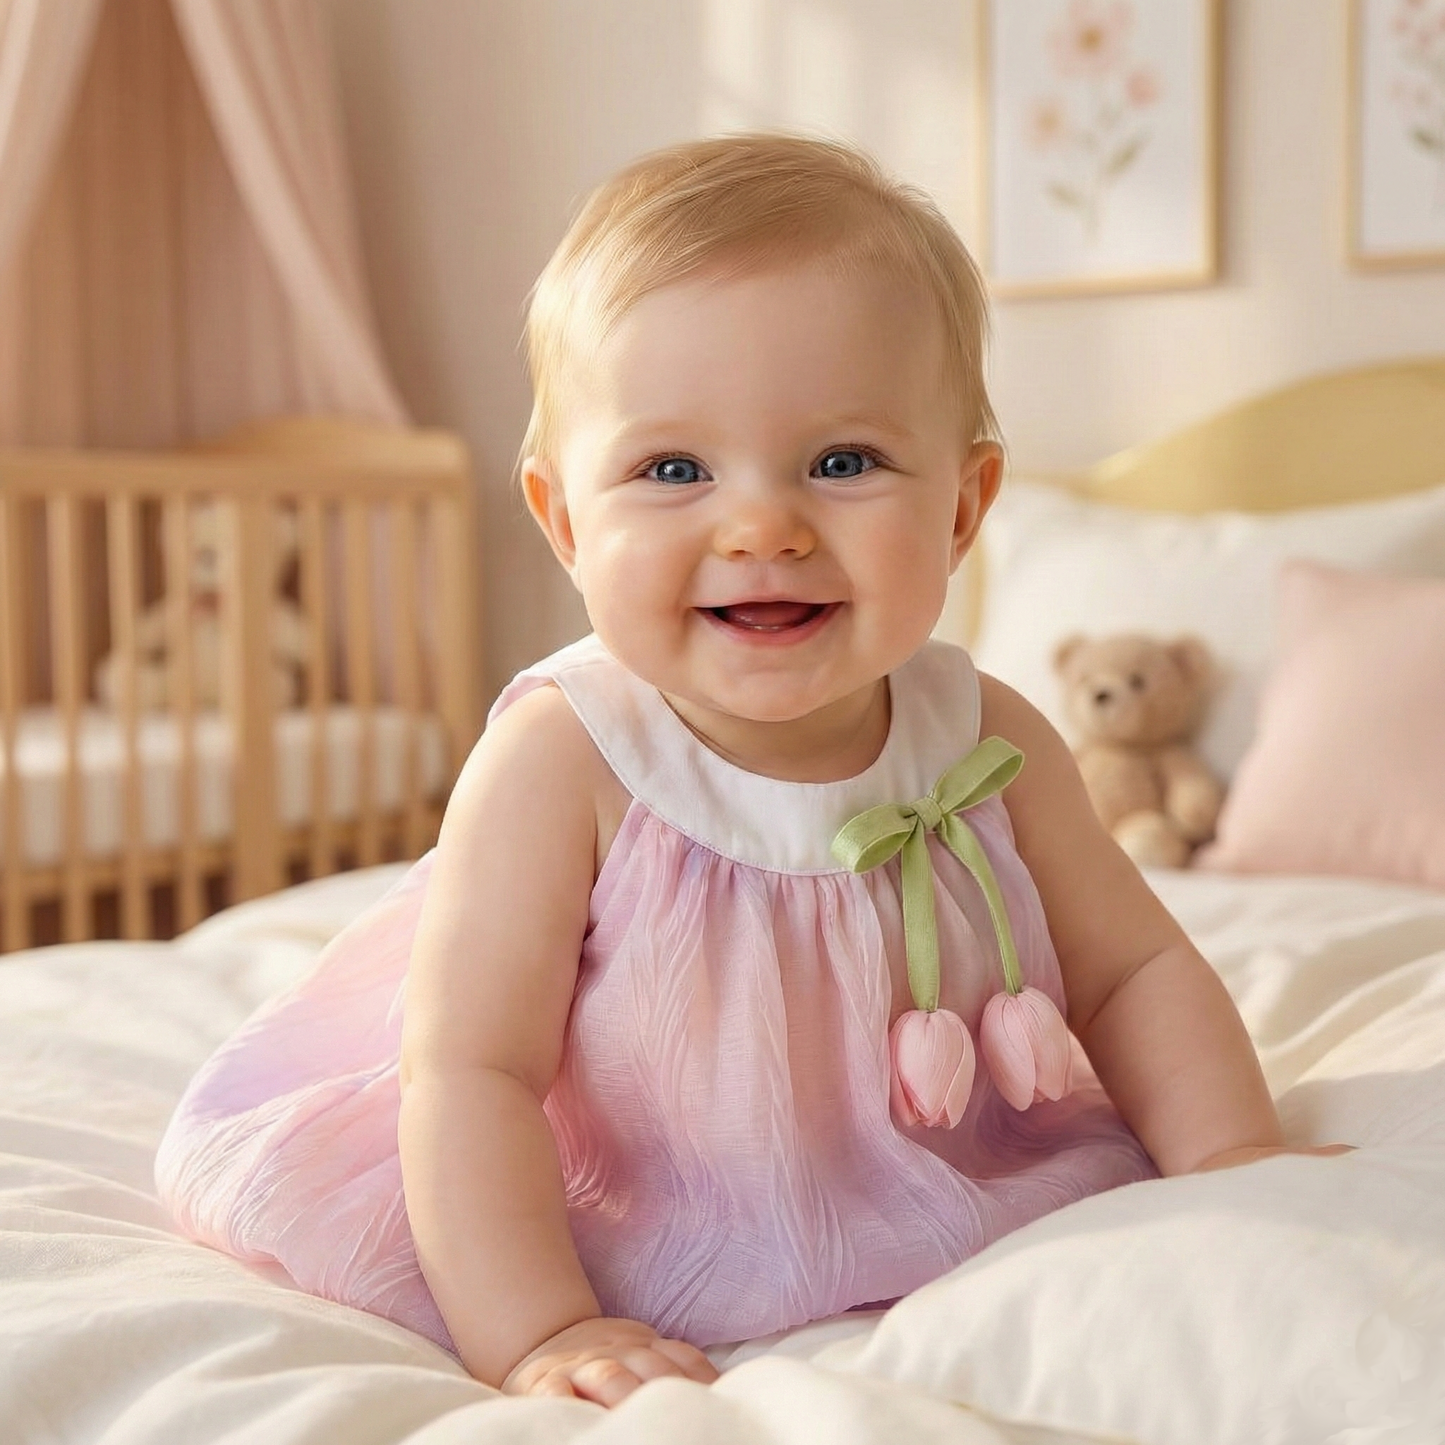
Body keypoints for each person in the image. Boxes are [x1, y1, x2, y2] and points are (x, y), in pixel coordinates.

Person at [155, 133, 1342, 1410]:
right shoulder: (564, 758)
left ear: (960, 506)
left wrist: (1233, 1164)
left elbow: (1134, 969)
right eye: (672, 469)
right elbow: (470, 1071)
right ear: (563, 521)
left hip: (941, 1157)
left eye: (842, 462)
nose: (760, 525)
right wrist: (541, 1327)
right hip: (637, 1188)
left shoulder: (989, 734)